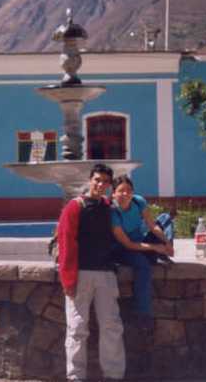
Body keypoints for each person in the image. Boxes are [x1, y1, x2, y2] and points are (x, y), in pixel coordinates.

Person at [56, 163, 126, 381]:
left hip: (105, 274)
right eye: (97, 180)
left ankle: (113, 375)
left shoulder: (109, 206)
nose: (100, 184)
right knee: (77, 328)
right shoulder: (74, 207)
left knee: (111, 326)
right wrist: (68, 280)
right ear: (90, 180)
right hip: (81, 274)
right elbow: (65, 243)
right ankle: (76, 376)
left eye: (105, 181)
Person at [110, 175, 175, 328]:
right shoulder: (112, 212)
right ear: (113, 193)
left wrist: (166, 242)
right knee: (143, 265)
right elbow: (127, 244)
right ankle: (143, 313)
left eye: (129, 190)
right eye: (121, 191)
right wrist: (154, 247)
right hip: (123, 249)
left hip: (141, 242)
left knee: (165, 218)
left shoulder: (138, 201)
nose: (125, 194)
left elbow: (153, 226)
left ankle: (162, 255)